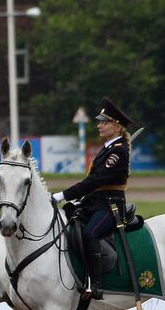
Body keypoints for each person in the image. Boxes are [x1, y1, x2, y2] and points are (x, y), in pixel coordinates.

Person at [53, 97, 135, 299]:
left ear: (116, 127)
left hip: (110, 207)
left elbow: (96, 180)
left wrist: (63, 195)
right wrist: (78, 201)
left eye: (104, 122)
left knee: (91, 233)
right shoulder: (107, 149)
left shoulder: (118, 151)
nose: (99, 125)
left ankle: (95, 284)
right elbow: (93, 184)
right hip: (95, 203)